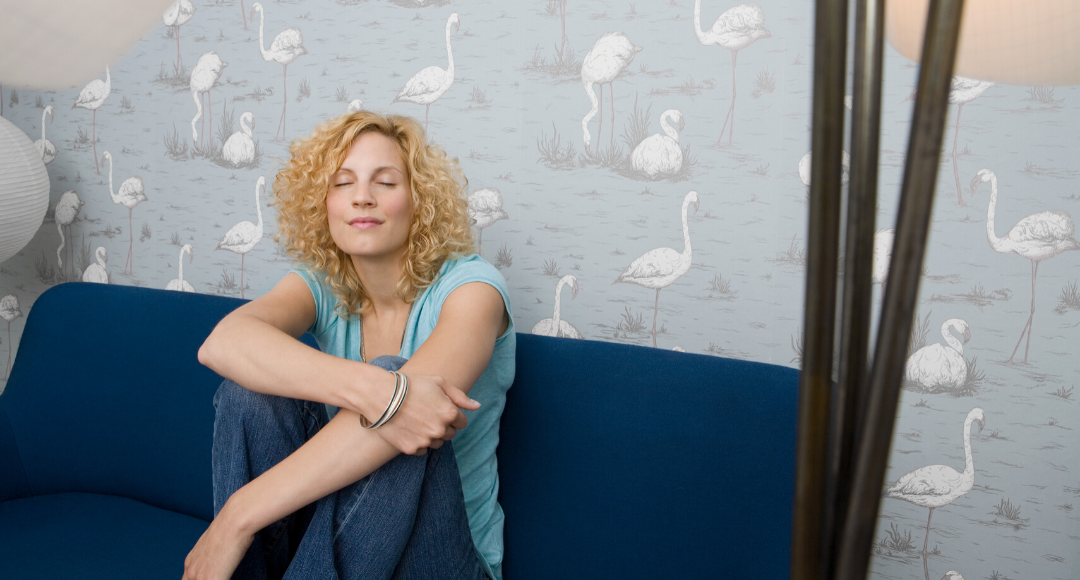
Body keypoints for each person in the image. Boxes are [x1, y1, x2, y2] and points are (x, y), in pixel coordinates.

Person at [183, 111, 515, 580]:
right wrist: (380, 392)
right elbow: (223, 344)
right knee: (250, 393)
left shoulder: (473, 289)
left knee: (399, 390)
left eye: (385, 182)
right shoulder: (322, 285)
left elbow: (420, 415)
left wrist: (237, 516)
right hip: (331, 544)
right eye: (342, 183)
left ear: (419, 200)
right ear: (323, 204)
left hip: (440, 560)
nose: (362, 196)